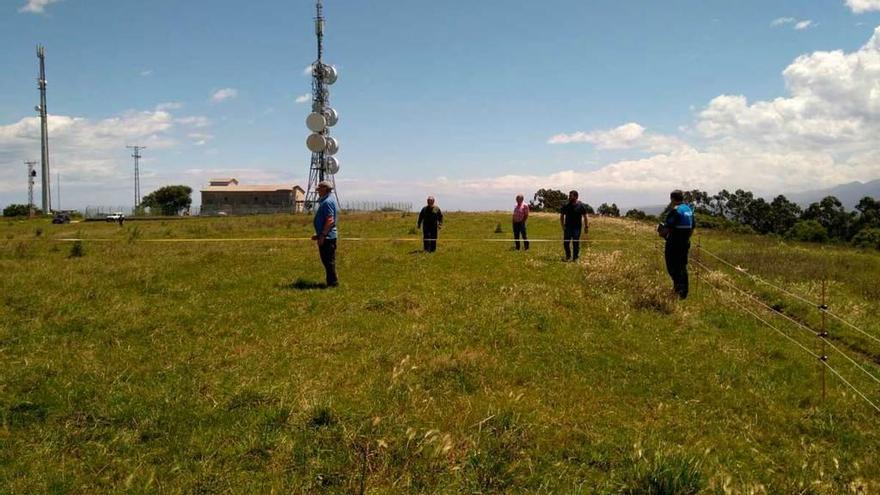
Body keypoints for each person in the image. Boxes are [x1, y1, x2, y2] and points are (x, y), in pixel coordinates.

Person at [658, 189, 695, 299]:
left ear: (672, 199)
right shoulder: (689, 209)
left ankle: (677, 290)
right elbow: (692, 227)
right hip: (685, 242)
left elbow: (666, 229)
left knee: (672, 267)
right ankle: (684, 292)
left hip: (674, 243)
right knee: (682, 266)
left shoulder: (675, 210)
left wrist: (660, 231)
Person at [311, 181, 338, 287]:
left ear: (325, 189)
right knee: (327, 261)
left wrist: (322, 235)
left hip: (327, 237)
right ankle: (331, 282)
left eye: (319, 189)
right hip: (326, 235)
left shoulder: (327, 202)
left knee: (328, 261)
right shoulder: (327, 201)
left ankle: (333, 284)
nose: (317, 191)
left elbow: (330, 220)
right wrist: (318, 235)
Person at [560, 190, 589, 261]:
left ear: (576, 197)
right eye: (569, 196)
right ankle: (568, 256)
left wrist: (586, 226)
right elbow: (562, 216)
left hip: (577, 228)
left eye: (571, 196)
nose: (569, 197)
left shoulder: (581, 206)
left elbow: (585, 216)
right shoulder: (566, 206)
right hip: (568, 228)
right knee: (566, 243)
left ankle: (575, 258)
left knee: (576, 243)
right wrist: (563, 225)